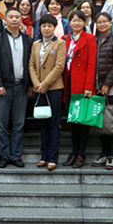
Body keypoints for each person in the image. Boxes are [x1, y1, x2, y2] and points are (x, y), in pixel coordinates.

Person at [0, 8, 33, 168]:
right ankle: (3, 155)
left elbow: (30, 64)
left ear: (21, 19)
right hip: (4, 87)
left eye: (17, 17)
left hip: (21, 87)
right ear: (6, 20)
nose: (14, 19)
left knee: (19, 124)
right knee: (1, 123)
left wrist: (29, 84)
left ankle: (16, 155)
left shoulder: (27, 40)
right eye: (11, 17)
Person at [29, 14, 67, 171]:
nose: (46, 28)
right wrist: (37, 84)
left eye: (49, 26)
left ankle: (53, 157)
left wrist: (45, 84)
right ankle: (43, 156)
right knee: (43, 122)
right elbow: (31, 64)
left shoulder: (60, 43)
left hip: (54, 88)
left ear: (54, 27)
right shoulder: (35, 44)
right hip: (39, 88)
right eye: (43, 26)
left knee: (53, 123)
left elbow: (59, 66)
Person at [62, 10, 97, 169]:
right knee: (72, 120)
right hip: (68, 83)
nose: (76, 23)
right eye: (73, 20)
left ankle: (81, 153)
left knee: (82, 121)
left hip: (82, 85)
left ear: (84, 22)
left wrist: (88, 87)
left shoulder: (89, 38)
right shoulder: (65, 38)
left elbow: (91, 64)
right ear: (69, 22)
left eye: (79, 20)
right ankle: (74, 151)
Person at [91, 12, 113, 170]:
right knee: (101, 122)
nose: (102, 24)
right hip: (97, 87)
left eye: (105, 21)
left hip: (112, 87)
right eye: (99, 22)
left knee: (112, 121)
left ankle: (112, 155)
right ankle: (104, 153)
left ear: (111, 23)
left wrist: (107, 84)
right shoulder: (94, 39)